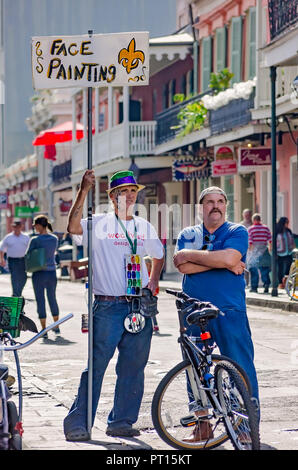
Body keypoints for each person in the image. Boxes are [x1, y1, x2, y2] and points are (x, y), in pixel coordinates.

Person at [63, 169, 164, 441]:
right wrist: (83, 190)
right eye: (123, 192)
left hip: (138, 306)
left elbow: (158, 255)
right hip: (107, 307)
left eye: (133, 191)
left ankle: (121, 421)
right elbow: (71, 227)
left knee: (133, 367)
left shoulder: (144, 226)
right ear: (112, 196)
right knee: (96, 366)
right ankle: (78, 423)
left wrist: (153, 280)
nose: (129, 196)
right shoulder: (97, 223)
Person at [173, 186, 259, 442]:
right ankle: (202, 425)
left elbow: (230, 258)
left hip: (229, 309)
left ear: (226, 205)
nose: (215, 206)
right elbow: (182, 265)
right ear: (201, 206)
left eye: (220, 201)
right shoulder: (188, 234)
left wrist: (193, 257)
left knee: (240, 367)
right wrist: (221, 261)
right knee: (194, 369)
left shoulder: (237, 231)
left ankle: (245, 428)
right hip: (193, 311)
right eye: (210, 201)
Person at [26, 215, 60, 338]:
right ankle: (56, 326)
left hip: (39, 273)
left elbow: (28, 254)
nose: (35, 228)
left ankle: (44, 328)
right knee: (52, 298)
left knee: (40, 300)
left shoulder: (35, 240)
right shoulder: (54, 239)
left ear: (40, 225)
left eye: (35, 225)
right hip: (52, 273)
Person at [0, 219, 30, 297]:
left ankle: (18, 292)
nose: (16, 228)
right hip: (12, 260)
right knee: (15, 277)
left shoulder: (26, 237)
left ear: (21, 227)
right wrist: (2, 259)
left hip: (23, 260)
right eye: (15, 227)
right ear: (13, 227)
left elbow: (30, 249)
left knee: (24, 277)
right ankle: (16, 293)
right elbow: (2, 249)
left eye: (18, 227)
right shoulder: (8, 237)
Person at [247, 213, 272, 293]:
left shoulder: (251, 229)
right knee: (264, 269)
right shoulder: (266, 228)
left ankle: (254, 287)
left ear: (253, 220)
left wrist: (250, 253)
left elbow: (250, 242)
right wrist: (269, 250)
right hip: (264, 250)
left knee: (253, 269)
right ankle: (266, 284)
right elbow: (270, 241)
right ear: (260, 219)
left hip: (255, 251)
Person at [276, 217, 295, 288]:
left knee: (288, 268)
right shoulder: (277, 231)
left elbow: (292, 240)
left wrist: (293, 247)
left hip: (288, 252)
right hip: (279, 253)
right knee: (280, 269)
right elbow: (272, 243)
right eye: (286, 223)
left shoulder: (288, 231)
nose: (287, 224)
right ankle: (280, 283)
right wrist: (273, 252)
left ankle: (286, 282)